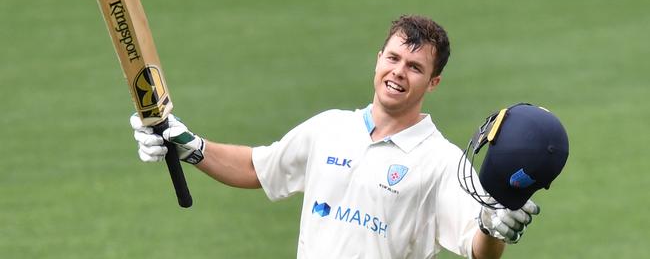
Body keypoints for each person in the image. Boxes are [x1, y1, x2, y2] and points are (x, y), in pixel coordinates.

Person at [132, 15, 539, 258]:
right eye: (393, 58)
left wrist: (493, 226)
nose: (398, 72)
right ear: (378, 58)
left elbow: (475, 245)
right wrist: (188, 145)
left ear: (434, 82)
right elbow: (260, 168)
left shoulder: (441, 161)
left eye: (414, 67)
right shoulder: (329, 128)